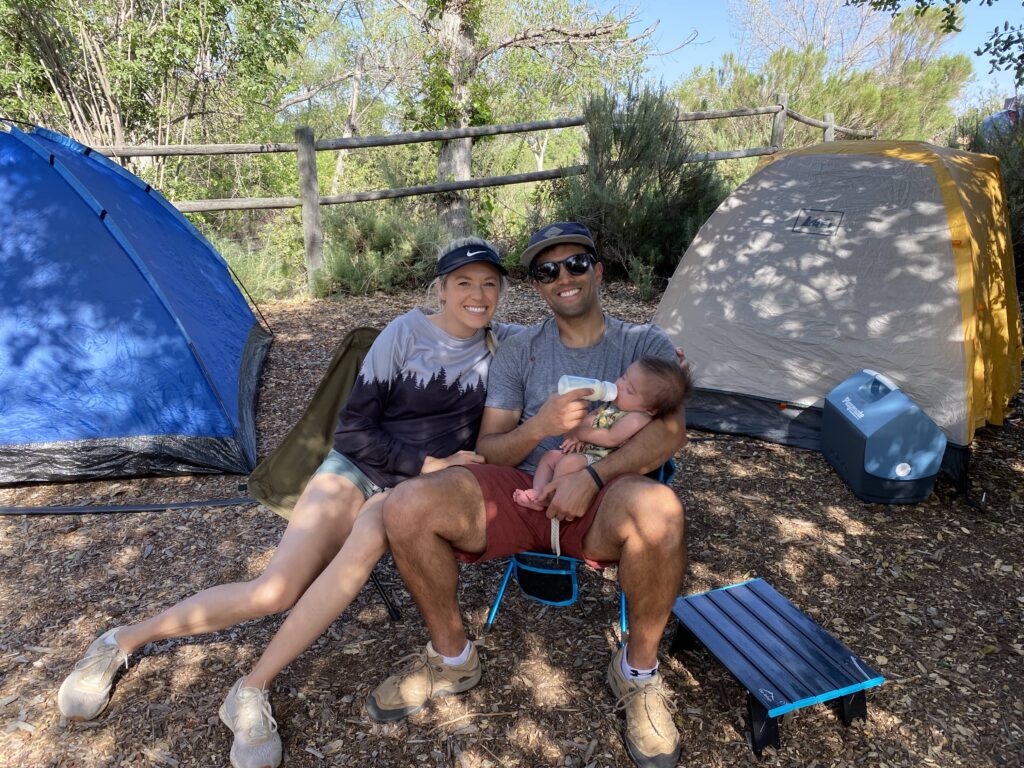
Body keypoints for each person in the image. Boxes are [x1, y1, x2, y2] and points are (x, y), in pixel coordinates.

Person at [57, 238, 519, 768]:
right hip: (361, 468)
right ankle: (119, 641)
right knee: (275, 590)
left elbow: (572, 345)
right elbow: (352, 433)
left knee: (361, 551)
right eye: (464, 282)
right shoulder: (405, 334)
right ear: (441, 288)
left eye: (489, 283)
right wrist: (428, 465)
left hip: (408, 494)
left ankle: (249, 691)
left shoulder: (505, 347)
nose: (477, 294)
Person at [369, 222, 689, 768]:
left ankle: (638, 674)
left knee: (660, 510)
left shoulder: (644, 345)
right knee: (405, 504)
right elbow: (491, 448)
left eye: (575, 264)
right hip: (521, 489)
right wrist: (539, 426)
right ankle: (452, 659)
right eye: (547, 270)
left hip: (606, 496)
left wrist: (589, 478)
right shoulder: (520, 351)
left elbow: (671, 433)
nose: (563, 277)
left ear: (598, 270)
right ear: (537, 287)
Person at [513, 357, 693, 512]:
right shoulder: (612, 405)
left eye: (629, 390)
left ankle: (555, 499)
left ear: (650, 409)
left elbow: (611, 438)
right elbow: (589, 419)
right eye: (624, 377)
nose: (619, 385)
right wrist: (575, 434)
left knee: (568, 463)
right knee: (549, 457)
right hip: (587, 453)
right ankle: (539, 493)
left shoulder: (637, 417)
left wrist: (581, 434)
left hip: (602, 460)